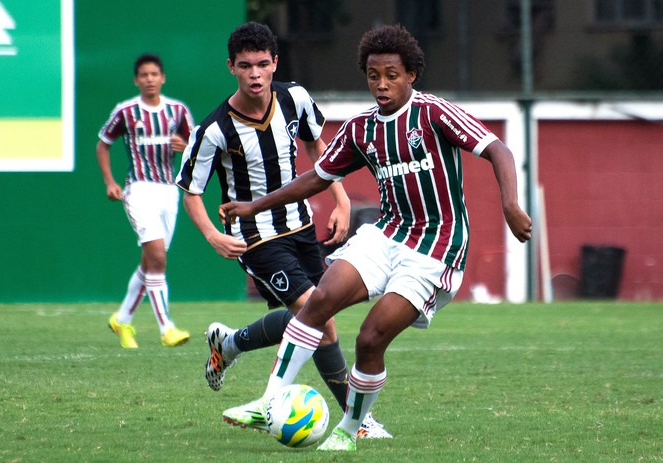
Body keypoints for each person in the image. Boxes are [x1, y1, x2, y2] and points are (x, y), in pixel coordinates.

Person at [220, 24, 533, 451]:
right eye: (373, 75)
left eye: (391, 75)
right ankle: (268, 400)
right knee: (319, 301)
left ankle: (350, 430)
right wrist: (255, 206)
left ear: (411, 75)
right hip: (386, 235)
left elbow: (498, 148)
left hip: (435, 249)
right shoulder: (361, 128)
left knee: (369, 339)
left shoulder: (433, 113)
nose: (381, 84)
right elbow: (315, 178)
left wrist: (510, 204)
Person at [176, 22, 391, 438]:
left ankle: (231, 343)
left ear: (275, 63)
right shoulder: (214, 129)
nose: (254, 74)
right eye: (244, 66)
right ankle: (357, 421)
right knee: (322, 320)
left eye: (261, 64)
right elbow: (190, 191)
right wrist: (212, 234)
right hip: (255, 238)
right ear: (231, 68)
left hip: (301, 225)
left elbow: (319, 151)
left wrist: (342, 200)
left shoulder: (296, 98)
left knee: (314, 314)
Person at [97, 53, 194, 349]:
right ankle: (167, 328)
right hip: (138, 189)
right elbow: (103, 144)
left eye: (155, 74)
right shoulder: (126, 111)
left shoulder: (177, 111)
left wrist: (186, 145)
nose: (150, 79)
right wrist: (110, 182)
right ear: (136, 80)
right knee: (158, 258)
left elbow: (199, 146)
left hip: (169, 190)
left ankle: (122, 319)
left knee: (151, 260)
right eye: (144, 75)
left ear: (162, 78)